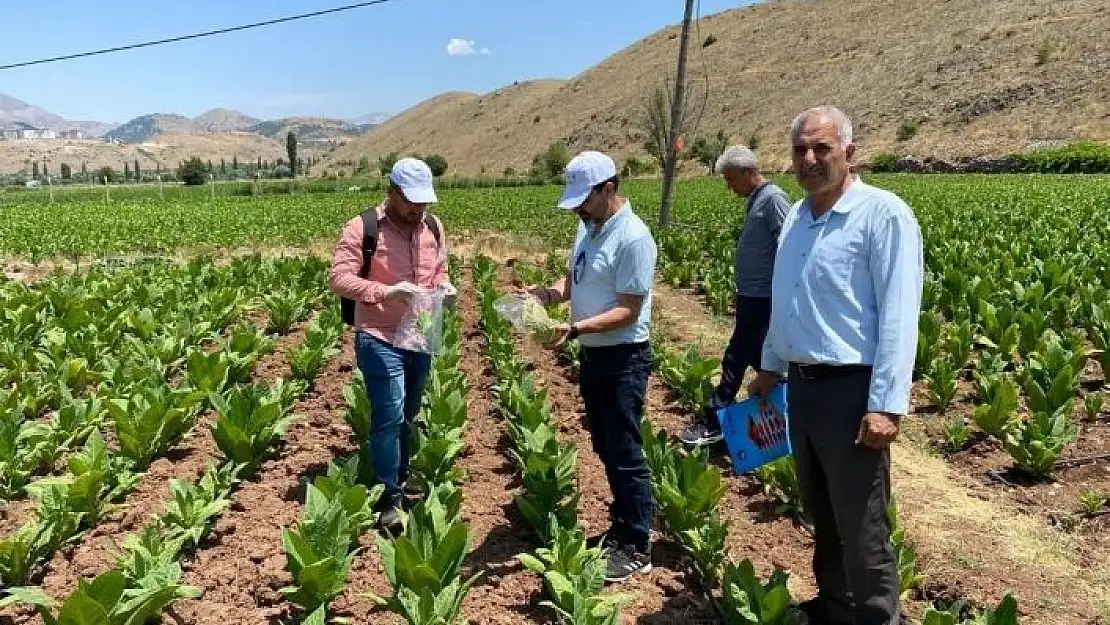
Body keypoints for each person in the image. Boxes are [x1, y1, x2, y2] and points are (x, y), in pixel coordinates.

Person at [748, 106, 923, 625]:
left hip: (852, 392)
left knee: (862, 521)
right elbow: (788, 301)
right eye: (800, 149)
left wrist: (887, 405)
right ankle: (835, 607)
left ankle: (875, 615)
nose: (808, 159)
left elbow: (898, 315)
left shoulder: (882, 215)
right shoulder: (798, 218)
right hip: (802, 389)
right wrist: (770, 365)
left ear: (850, 152)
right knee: (821, 512)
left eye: (821, 148)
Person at [529, 150, 658, 583]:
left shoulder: (634, 238)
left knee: (624, 449)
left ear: (609, 188)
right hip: (594, 353)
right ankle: (620, 528)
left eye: (586, 199)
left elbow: (629, 309)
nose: (580, 209)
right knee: (605, 444)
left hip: (623, 358)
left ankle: (638, 544)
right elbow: (576, 279)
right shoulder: (589, 229)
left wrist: (577, 327)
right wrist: (550, 294)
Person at [328, 157, 456, 536]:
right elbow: (339, 278)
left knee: (410, 413)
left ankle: (399, 473)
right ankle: (390, 498)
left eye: (424, 202)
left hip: (419, 333)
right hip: (379, 336)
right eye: (411, 201)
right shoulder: (363, 227)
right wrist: (386, 291)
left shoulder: (433, 226)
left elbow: (440, 269)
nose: (419, 209)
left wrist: (445, 288)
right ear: (392, 193)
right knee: (390, 412)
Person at [679, 145, 791, 448]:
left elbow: (789, 247)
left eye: (731, 179)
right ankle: (789, 413)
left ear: (748, 172)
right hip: (752, 295)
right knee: (757, 357)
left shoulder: (773, 199)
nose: (729, 187)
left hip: (763, 296)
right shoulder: (757, 200)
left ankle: (716, 420)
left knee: (736, 356)